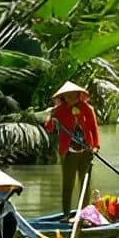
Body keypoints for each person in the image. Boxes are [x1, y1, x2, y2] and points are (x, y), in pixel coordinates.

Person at [43, 80, 101, 217]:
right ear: (63, 97)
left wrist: (96, 146)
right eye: (68, 96)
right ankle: (66, 214)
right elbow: (49, 128)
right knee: (68, 185)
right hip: (68, 152)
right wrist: (50, 117)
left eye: (73, 95)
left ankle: (85, 214)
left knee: (85, 184)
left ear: (78, 95)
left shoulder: (87, 109)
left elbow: (93, 128)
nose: (71, 98)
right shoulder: (59, 110)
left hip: (86, 151)